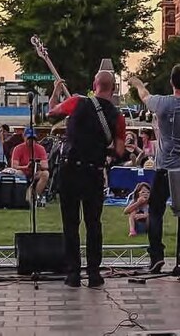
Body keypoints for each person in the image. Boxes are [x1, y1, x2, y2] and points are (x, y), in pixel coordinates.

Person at [129, 64, 180, 275]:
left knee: (155, 213)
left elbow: (145, 96)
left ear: (171, 82)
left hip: (165, 168)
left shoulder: (162, 104)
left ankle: (157, 257)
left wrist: (137, 84)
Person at [48, 71, 125, 288]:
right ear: (114, 88)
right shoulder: (117, 117)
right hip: (93, 172)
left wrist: (55, 91)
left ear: (94, 84)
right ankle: (94, 274)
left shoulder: (76, 102)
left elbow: (51, 113)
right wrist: (104, 149)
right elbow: (119, 150)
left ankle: (73, 274)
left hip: (70, 170)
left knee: (70, 224)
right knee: (93, 224)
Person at [10, 133, 49, 205]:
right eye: (29, 139)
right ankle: (21, 196)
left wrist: (38, 165)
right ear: (24, 138)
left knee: (45, 174)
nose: (31, 141)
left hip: (35, 172)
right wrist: (27, 166)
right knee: (17, 173)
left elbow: (46, 165)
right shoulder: (18, 148)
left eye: (33, 139)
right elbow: (14, 166)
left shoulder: (40, 148)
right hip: (23, 172)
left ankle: (35, 197)